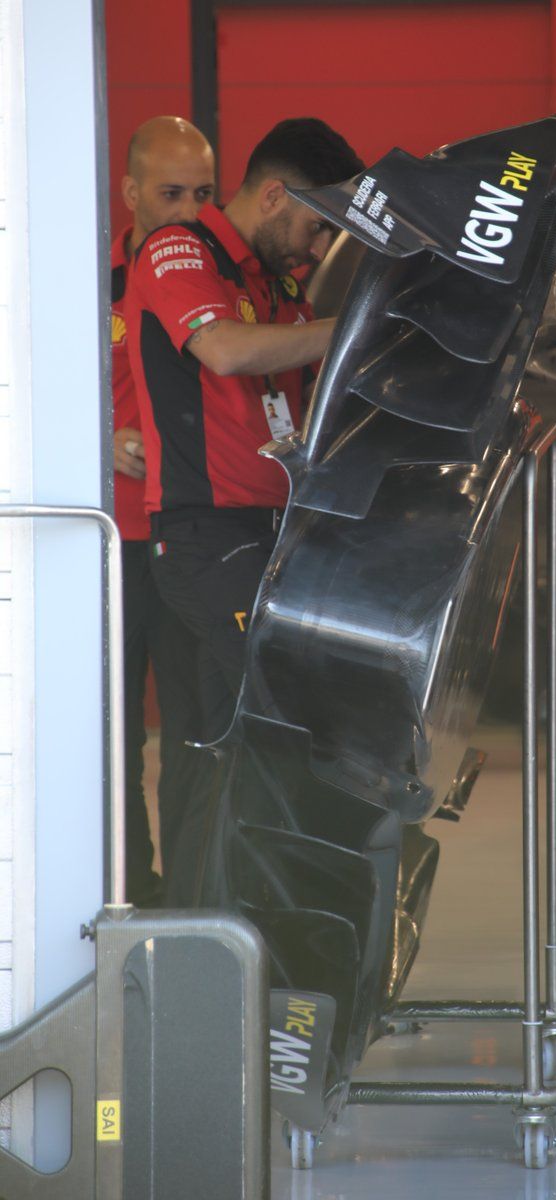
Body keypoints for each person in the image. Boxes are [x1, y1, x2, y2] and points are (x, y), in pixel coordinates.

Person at [126, 117, 363, 745]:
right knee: (284, 713)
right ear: (275, 196)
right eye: (318, 229)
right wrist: (358, 327)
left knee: (215, 748)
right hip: (206, 532)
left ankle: (228, 847)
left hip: (277, 532)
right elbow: (225, 350)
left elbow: (317, 393)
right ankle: (322, 841)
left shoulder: (280, 283)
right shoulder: (179, 249)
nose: (317, 252)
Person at [112, 115, 214, 904]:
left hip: (191, 538)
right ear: (131, 191)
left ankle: (189, 904)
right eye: (169, 192)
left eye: (202, 194)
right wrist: (95, 440)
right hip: (108, 543)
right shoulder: (83, 281)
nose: (186, 211)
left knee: (194, 734)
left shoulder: (224, 285)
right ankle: (123, 890)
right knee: (112, 734)